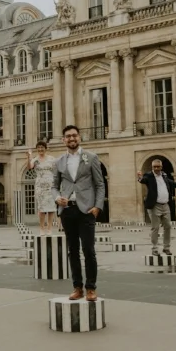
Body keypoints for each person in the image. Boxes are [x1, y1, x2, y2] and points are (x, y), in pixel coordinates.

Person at [51, 125, 105, 302]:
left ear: (79, 137)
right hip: (67, 210)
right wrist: (57, 198)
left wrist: (97, 207)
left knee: (88, 250)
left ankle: (91, 288)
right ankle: (77, 287)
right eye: (68, 136)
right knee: (72, 250)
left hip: (87, 209)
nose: (71, 138)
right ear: (63, 140)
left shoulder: (91, 157)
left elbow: (100, 184)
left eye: (74, 135)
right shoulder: (59, 161)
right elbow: (54, 186)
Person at [137, 159, 176, 256]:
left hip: (165, 205)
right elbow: (143, 180)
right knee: (155, 228)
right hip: (154, 205)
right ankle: (155, 249)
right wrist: (139, 177)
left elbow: (171, 183)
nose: (156, 168)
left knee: (168, 226)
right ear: (152, 167)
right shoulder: (149, 175)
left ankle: (166, 248)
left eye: (158, 166)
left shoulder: (164, 175)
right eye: (154, 167)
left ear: (161, 167)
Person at [27, 141, 57, 235]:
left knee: (51, 208)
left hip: (50, 185)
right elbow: (29, 167)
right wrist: (29, 157)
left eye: (42, 147)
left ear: (45, 148)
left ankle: (49, 228)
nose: (40, 149)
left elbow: (56, 171)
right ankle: (41, 228)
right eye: (39, 148)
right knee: (41, 208)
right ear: (37, 149)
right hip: (40, 186)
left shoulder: (52, 159)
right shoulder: (35, 160)